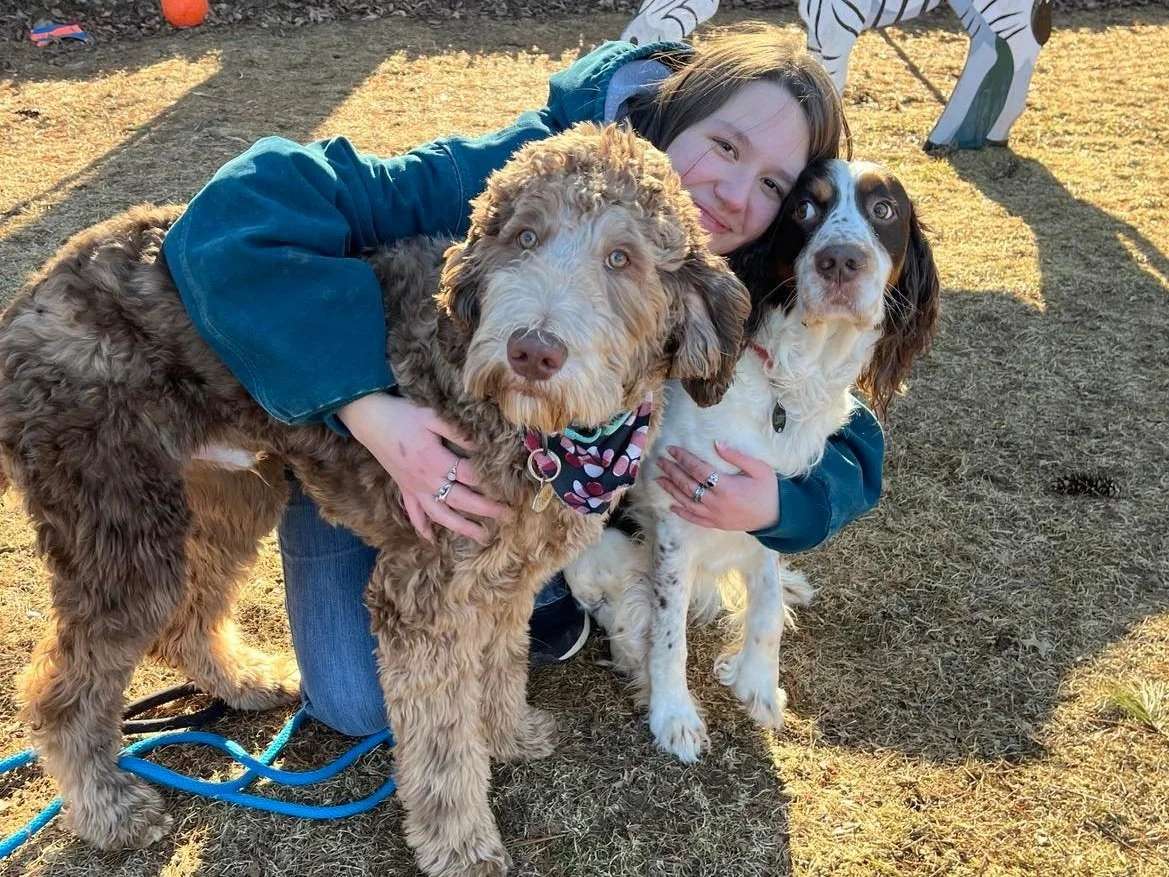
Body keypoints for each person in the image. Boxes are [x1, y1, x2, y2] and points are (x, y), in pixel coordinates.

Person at [162, 22, 884, 738]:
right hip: (375, 446)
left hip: (542, 494)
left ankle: (549, 580)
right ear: (677, 110)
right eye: (724, 146)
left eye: (770, 183)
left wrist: (784, 502)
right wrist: (362, 407)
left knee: (506, 616)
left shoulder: (737, 266)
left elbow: (850, 436)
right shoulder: (519, 179)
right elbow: (241, 210)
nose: (732, 192)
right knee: (359, 702)